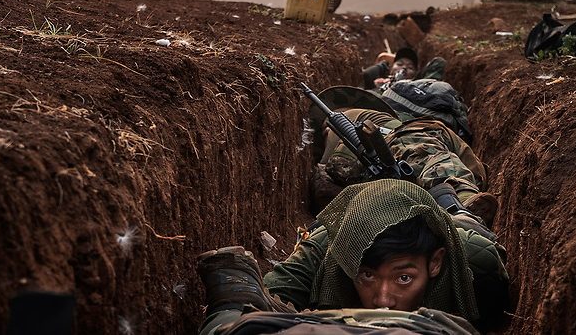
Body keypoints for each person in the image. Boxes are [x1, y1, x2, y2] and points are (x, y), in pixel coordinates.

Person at [196, 180, 509, 335]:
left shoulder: (474, 265)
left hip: (458, 232)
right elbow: (272, 293)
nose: (383, 300)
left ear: (435, 262)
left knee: (465, 221)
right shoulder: (329, 250)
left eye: (404, 278)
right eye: (367, 276)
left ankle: (456, 202)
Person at [310, 85, 497, 227]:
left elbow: (340, 164)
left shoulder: (375, 121)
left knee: (420, 152)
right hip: (451, 168)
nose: (327, 129)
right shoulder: (346, 127)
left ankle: (463, 204)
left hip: (426, 154)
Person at [361, 47, 446, 91]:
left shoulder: (419, 89)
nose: (404, 67)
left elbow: (439, 62)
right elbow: (366, 75)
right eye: (399, 64)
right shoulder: (380, 84)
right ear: (390, 69)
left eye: (410, 67)